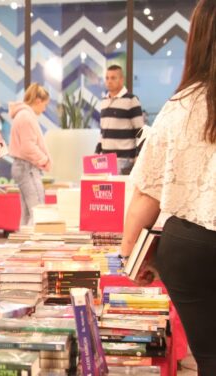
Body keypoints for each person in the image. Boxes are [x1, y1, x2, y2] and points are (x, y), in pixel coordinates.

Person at [120, 0, 216, 372]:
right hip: (190, 247)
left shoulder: (180, 106)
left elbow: (148, 190)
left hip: (187, 249)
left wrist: (131, 253)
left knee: (209, 355)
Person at [8, 83, 52, 226]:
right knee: (38, 210)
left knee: (28, 212)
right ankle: (33, 246)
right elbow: (28, 147)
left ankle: (24, 244)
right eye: (45, 104)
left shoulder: (22, 115)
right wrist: (44, 159)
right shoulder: (26, 117)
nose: (44, 109)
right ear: (38, 101)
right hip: (27, 167)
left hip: (23, 166)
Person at [96, 65, 144, 175]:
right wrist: (97, 152)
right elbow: (102, 133)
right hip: (105, 160)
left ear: (122, 79)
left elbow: (140, 132)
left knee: (123, 192)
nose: (109, 81)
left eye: (113, 78)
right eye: (107, 78)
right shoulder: (104, 101)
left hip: (125, 160)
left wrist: (138, 155)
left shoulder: (131, 100)